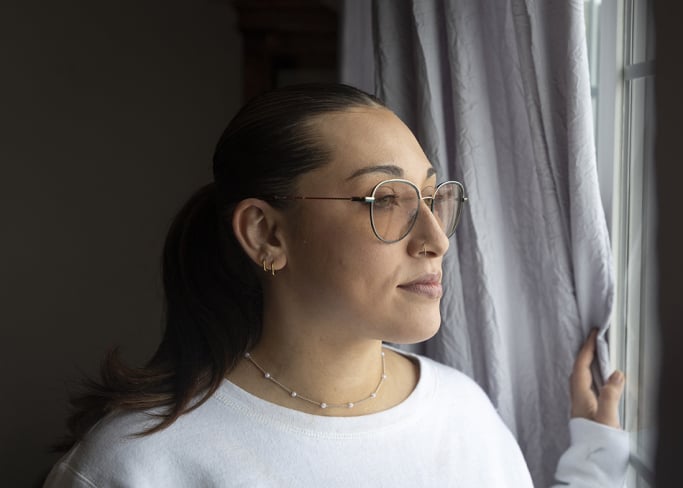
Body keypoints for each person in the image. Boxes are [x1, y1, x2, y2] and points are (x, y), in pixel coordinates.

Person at [44, 83, 628, 487]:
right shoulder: (138, 465)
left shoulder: (463, 414)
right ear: (266, 233)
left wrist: (596, 462)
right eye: (385, 200)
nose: (436, 240)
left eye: (432, 198)